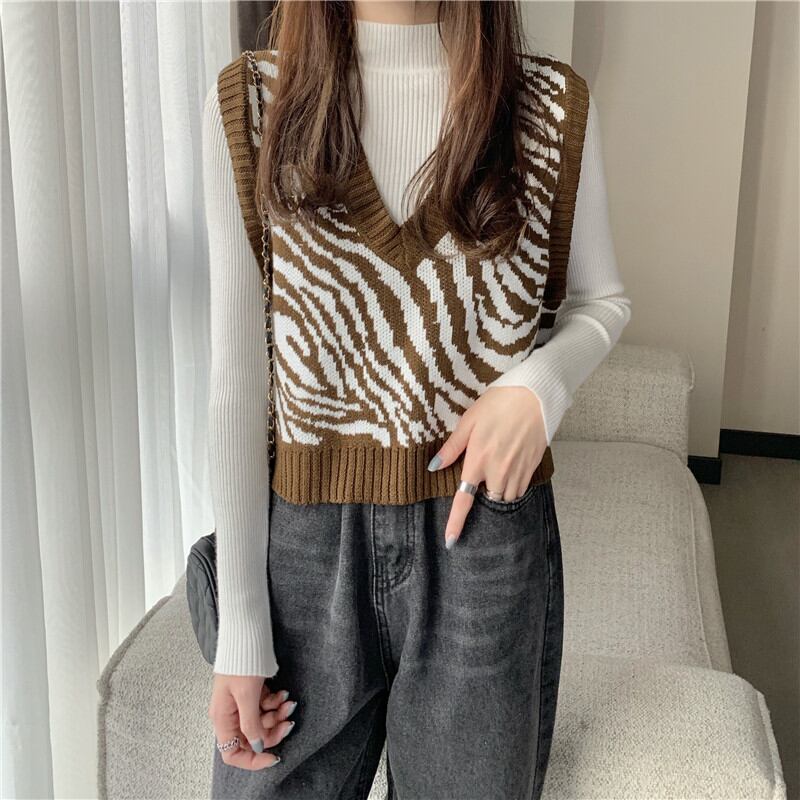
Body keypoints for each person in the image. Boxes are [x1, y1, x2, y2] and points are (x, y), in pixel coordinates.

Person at [201, 1, 631, 798]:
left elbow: (602, 302)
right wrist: (240, 631)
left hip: (482, 533)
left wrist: (538, 388)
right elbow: (237, 381)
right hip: (306, 543)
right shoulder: (255, 103)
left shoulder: (547, 108)